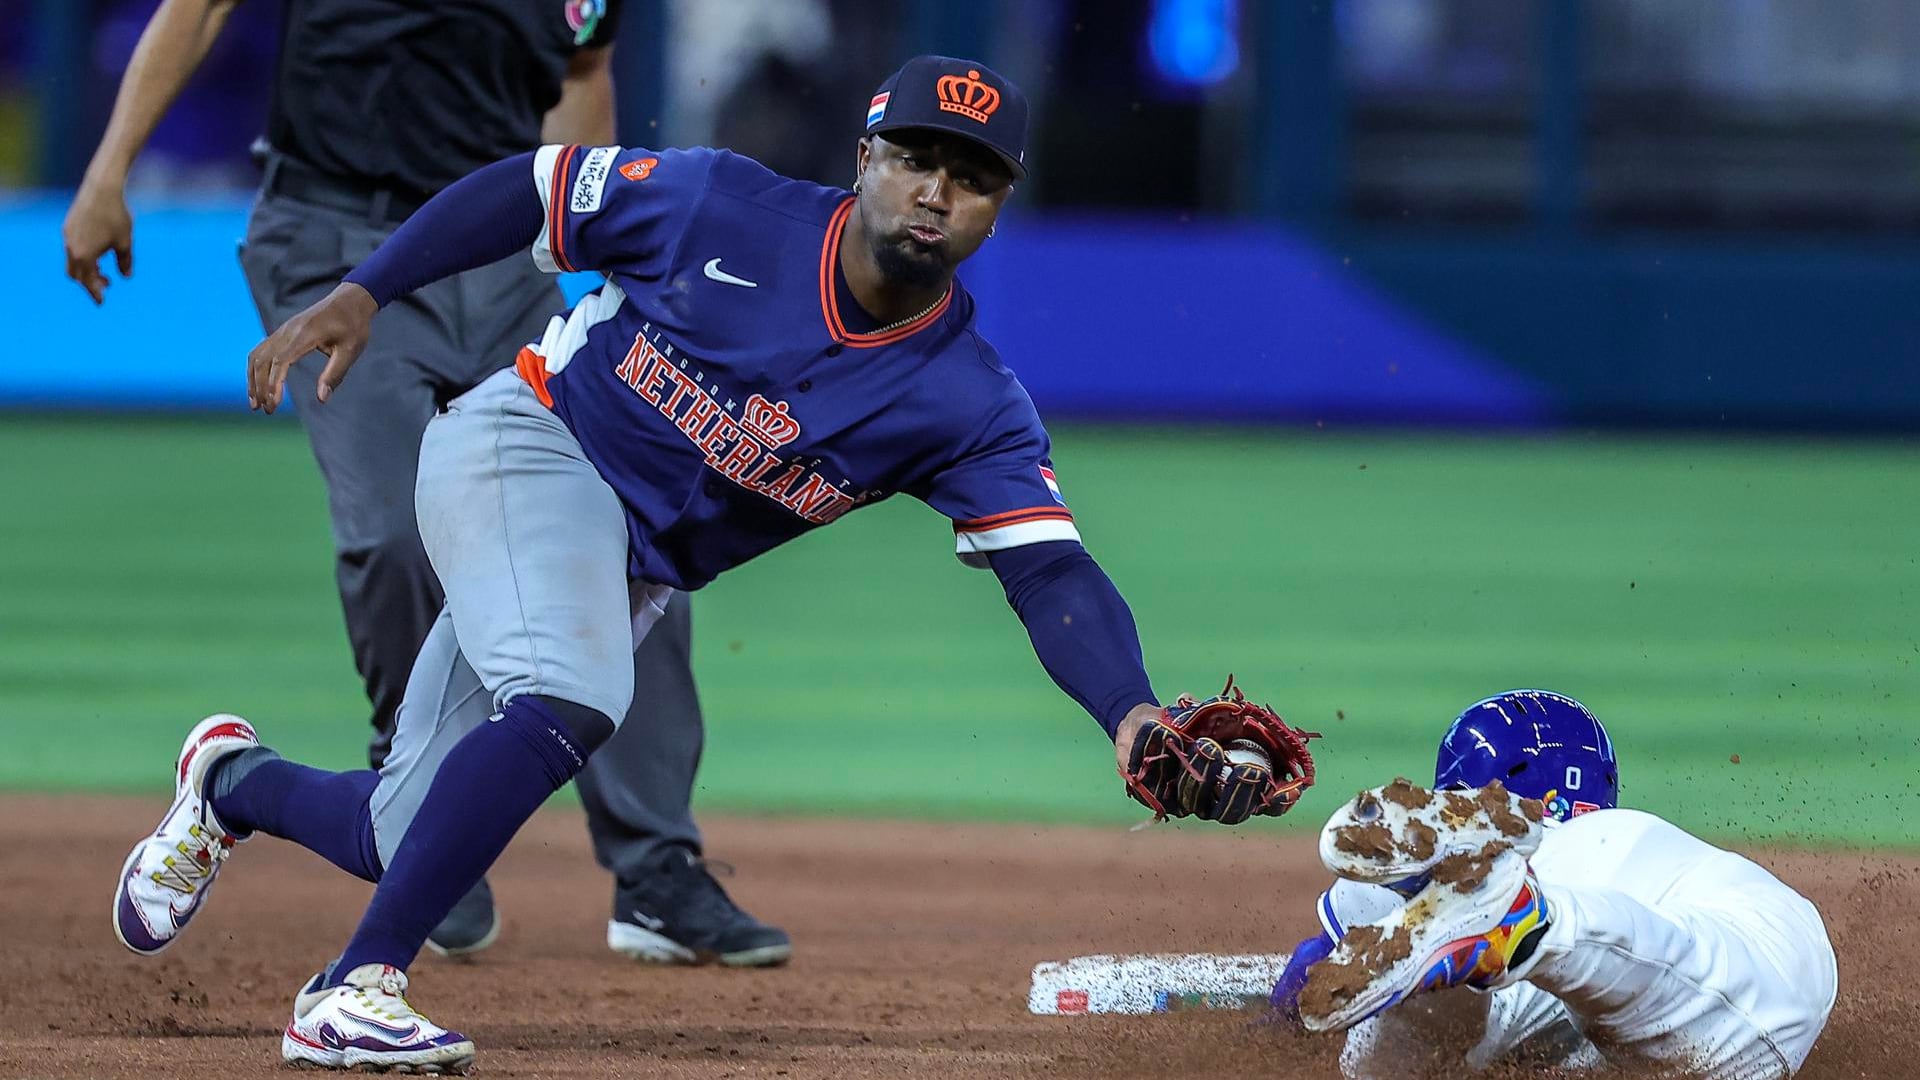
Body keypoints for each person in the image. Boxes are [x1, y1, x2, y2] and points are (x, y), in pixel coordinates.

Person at [109, 55, 1314, 1073]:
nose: (938, 191)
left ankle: (227, 784)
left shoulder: (966, 402)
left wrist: (1129, 709)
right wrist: (370, 291)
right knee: (575, 699)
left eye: (974, 176)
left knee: (398, 829)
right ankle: (354, 986)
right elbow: (531, 189)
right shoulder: (722, 207)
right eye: (918, 158)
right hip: (525, 445)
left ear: (999, 206)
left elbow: (1049, 573)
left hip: (622, 566)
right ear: (866, 157)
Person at [62, 0, 786, 964]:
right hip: (334, 234)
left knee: (630, 543)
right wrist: (109, 170)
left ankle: (654, 869)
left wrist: (612, 248)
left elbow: (580, 76)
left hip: (505, 243)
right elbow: (197, 11)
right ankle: (419, 800)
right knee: (395, 534)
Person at [1270, 690, 1838, 1080]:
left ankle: (1525, 924)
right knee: (1658, 979)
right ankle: (1524, 925)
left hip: (1585, 922)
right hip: (1786, 926)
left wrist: (1273, 1027)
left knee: (1387, 1057)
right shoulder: (1629, 835)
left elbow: (1308, 969)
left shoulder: (1556, 859)